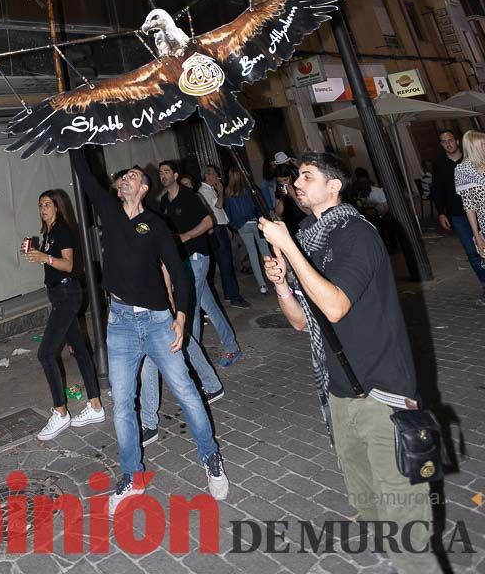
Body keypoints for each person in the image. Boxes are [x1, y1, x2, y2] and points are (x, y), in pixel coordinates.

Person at [260, 152, 440, 574]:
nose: (296, 183)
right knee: (367, 504)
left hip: (384, 396)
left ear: (334, 186)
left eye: (307, 176)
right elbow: (304, 322)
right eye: (296, 177)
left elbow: (336, 306)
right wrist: (283, 285)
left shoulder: (358, 234)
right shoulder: (310, 236)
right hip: (340, 394)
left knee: (407, 530)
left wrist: (289, 248)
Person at [74, 160, 229, 510]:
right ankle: (132, 477)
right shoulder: (111, 215)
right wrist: (73, 127)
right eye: (123, 176)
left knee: (188, 393)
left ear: (144, 188)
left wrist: (182, 315)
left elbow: (179, 271)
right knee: (123, 405)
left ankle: (211, 458)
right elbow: (86, 174)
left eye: (134, 176)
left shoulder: (156, 225)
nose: (127, 179)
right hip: (121, 326)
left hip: (158, 322)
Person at [138, 162, 241, 446]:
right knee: (208, 306)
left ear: (175, 175)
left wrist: (185, 237)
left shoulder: (187, 196)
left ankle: (200, 377)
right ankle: (226, 354)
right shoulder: (162, 203)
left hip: (195, 258)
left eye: (166, 171)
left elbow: (209, 222)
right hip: (179, 264)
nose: (163, 176)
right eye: (160, 173)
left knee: (188, 318)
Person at [24, 190, 104, 440]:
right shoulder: (48, 234)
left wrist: (45, 257)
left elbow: (69, 264)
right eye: (40, 205)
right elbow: (54, 262)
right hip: (59, 295)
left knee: (46, 353)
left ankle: (60, 413)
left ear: (58, 207)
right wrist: (41, 257)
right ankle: (95, 406)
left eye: (48, 204)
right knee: (79, 349)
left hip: (68, 295)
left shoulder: (64, 230)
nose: (43, 208)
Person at [432, 130, 485, 304]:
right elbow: (438, 189)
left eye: (450, 140)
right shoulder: (444, 165)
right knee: (473, 252)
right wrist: (441, 212)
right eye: (443, 141)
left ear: (457, 141)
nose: (448, 144)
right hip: (460, 214)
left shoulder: (476, 161)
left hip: (479, 216)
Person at [202, 164, 249, 308]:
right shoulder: (205, 190)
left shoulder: (210, 190)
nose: (217, 176)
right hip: (216, 229)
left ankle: (230, 294)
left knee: (226, 263)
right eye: (214, 174)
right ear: (207, 176)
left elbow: (219, 212)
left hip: (220, 227)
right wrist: (221, 191)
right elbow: (218, 206)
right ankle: (233, 296)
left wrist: (226, 225)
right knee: (225, 263)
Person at [225, 164, 271, 294]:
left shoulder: (229, 193)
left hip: (242, 225)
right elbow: (260, 205)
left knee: (252, 254)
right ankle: (276, 279)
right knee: (265, 251)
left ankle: (262, 285)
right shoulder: (251, 189)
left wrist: (235, 225)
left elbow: (228, 213)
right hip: (256, 222)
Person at [455, 130, 485, 262]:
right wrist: (476, 235)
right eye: (483, 144)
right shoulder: (462, 171)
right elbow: (469, 206)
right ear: (473, 147)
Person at [274, 165, 308, 238]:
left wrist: (294, 196)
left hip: (304, 225)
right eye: (280, 181)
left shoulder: (299, 186)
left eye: (285, 180)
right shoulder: (279, 189)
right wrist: (282, 198)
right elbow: (278, 213)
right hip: (290, 227)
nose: (283, 183)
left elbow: (307, 211)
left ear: (290, 177)